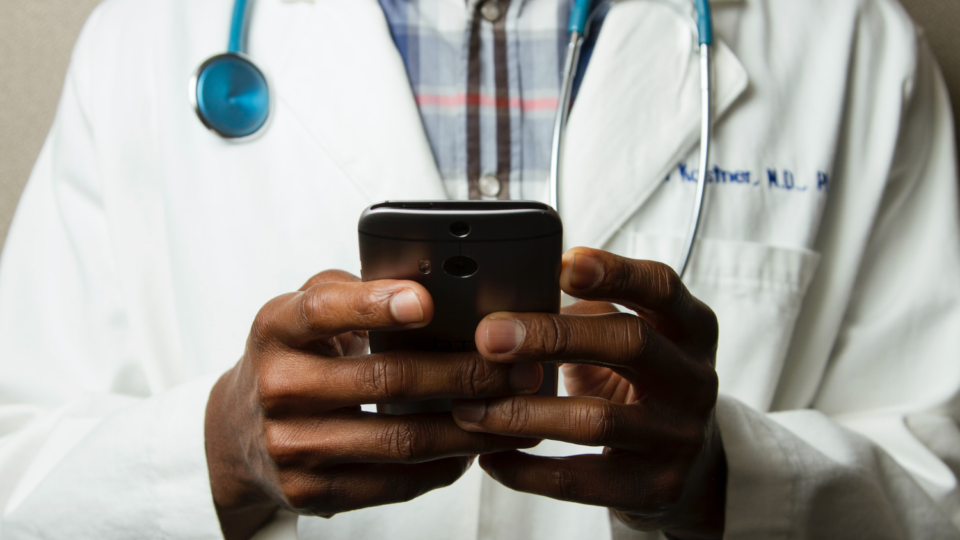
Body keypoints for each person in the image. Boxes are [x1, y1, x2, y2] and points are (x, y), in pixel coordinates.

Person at [1, 0, 959, 538]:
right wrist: (218, 454)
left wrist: (730, 482)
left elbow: (940, 473)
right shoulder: (143, 40)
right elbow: (20, 480)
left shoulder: (853, 43)